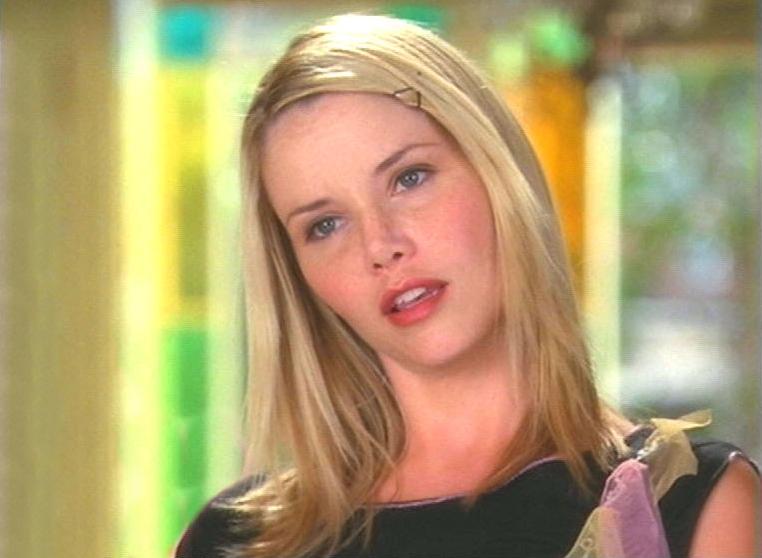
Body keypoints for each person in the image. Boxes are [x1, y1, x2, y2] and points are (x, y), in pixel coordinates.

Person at [175, 13, 759, 558]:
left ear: (497, 172)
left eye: (409, 178)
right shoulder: (232, 540)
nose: (380, 245)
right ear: (298, 277)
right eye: (325, 225)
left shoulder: (688, 504)